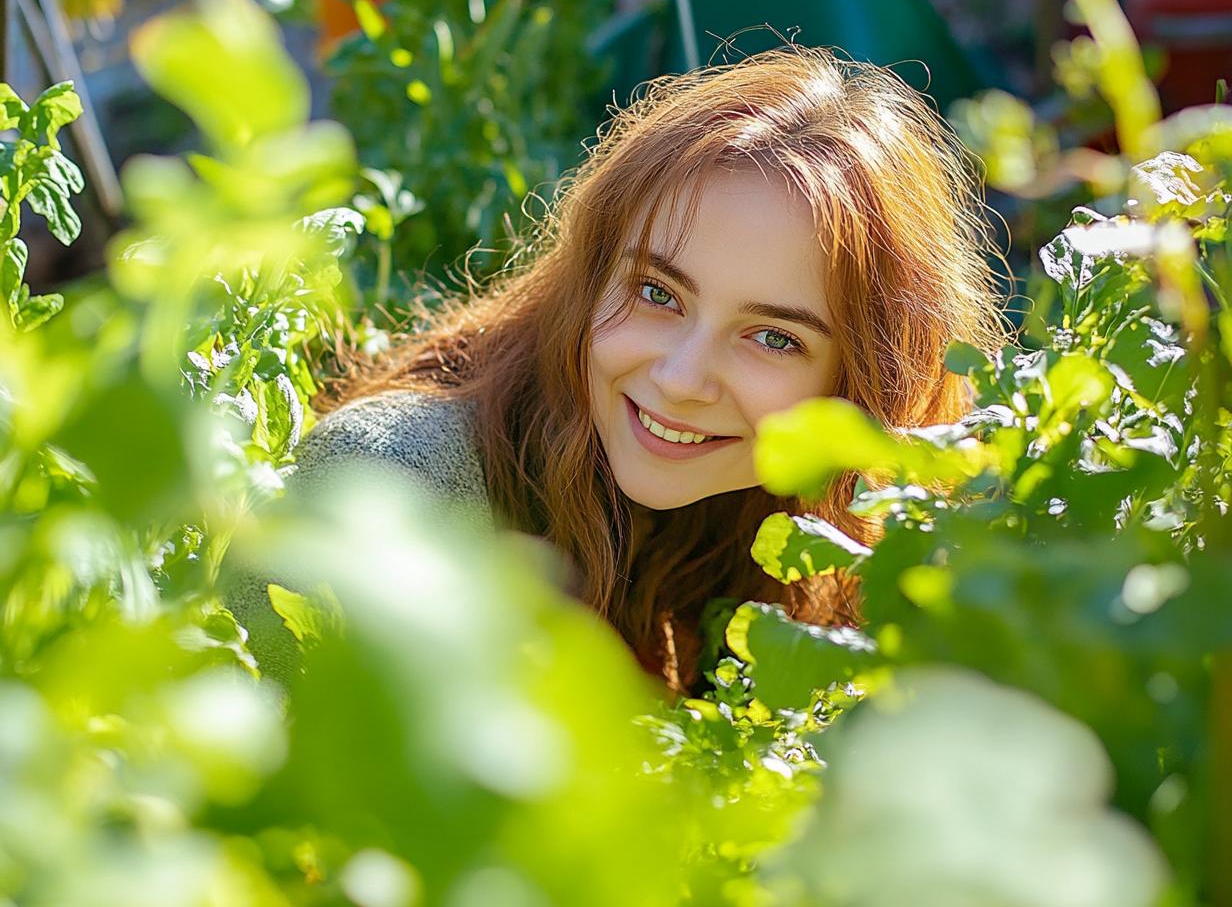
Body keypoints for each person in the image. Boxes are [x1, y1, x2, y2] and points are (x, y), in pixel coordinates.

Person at [226, 44, 1010, 693]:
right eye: (657, 292)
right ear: (592, 273)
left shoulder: (829, 539)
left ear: (863, 385)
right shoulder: (392, 486)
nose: (679, 377)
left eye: (773, 338)